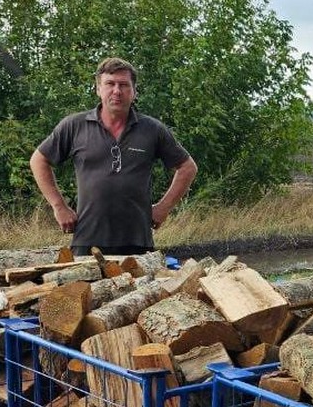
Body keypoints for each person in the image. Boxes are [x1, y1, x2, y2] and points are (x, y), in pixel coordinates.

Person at [30, 57, 199, 257]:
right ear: (98, 89)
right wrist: (59, 207)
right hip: (87, 239)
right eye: (110, 84)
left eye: (124, 85)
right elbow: (38, 160)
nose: (117, 91)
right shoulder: (75, 126)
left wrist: (164, 207)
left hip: (138, 242)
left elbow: (188, 167)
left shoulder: (152, 129)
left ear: (133, 91)